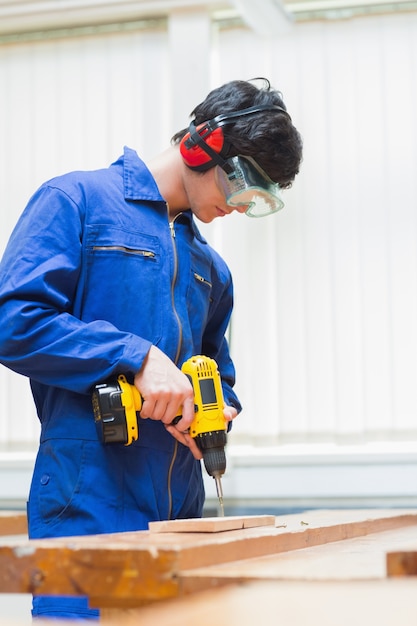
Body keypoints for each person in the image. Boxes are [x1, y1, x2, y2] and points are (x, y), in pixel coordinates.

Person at [0, 77, 302, 620]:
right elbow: (13, 322)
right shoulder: (77, 202)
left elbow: (217, 371)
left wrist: (217, 410)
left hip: (180, 522)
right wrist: (134, 357)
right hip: (87, 510)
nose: (238, 205)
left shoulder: (212, 269)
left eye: (255, 199)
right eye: (241, 183)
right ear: (202, 144)